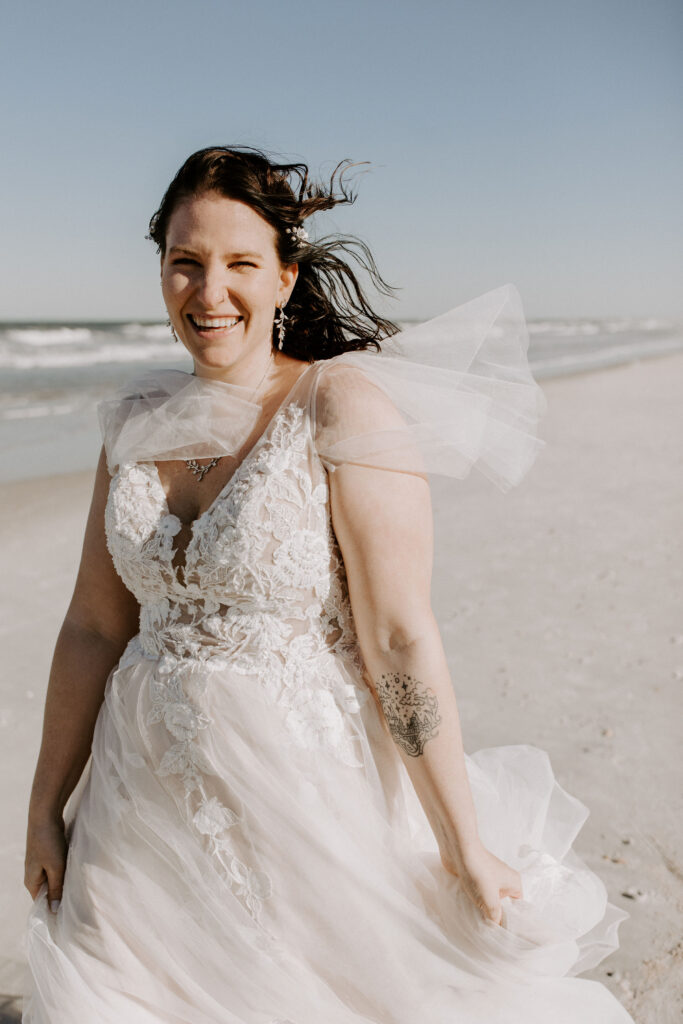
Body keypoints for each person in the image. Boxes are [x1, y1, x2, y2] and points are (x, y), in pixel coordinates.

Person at [22, 146, 634, 1024]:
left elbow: (398, 638)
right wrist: (46, 808)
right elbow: (92, 624)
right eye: (185, 264)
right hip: (138, 811)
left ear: (284, 274)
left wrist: (463, 846)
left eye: (239, 264)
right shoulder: (130, 422)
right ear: (160, 270)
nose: (208, 293)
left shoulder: (340, 406)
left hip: (302, 798)